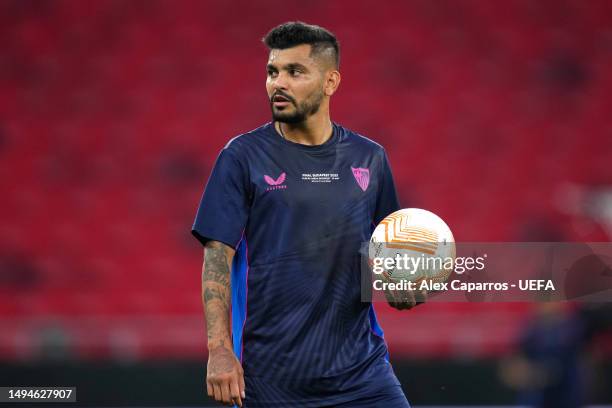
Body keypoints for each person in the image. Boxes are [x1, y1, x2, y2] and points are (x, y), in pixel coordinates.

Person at [192, 21, 420, 408]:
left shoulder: (370, 159)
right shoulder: (242, 157)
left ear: (330, 82)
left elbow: (391, 256)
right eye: (272, 72)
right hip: (272, 379)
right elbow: (217, 255)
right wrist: (219, 350)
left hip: (362, 373)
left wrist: (404, 287)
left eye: (294, 72)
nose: (277, 83)